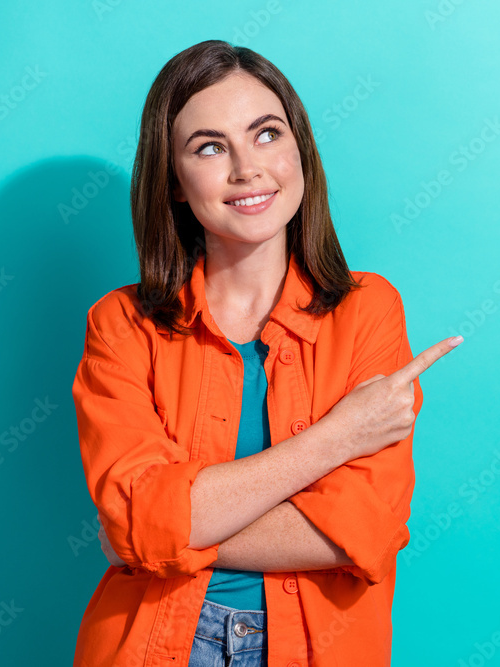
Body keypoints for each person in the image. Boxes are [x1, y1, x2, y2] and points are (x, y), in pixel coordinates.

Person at [70, 40, 462, 667]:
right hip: (151, 647)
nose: (246, 168)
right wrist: (337, 438)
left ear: (299, 151)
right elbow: (136, 520)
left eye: (266, 134)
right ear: (173, 181)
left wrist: (159, 533)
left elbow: (364, 530)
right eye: (209, 146)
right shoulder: (121, 325)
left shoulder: (368, 310)